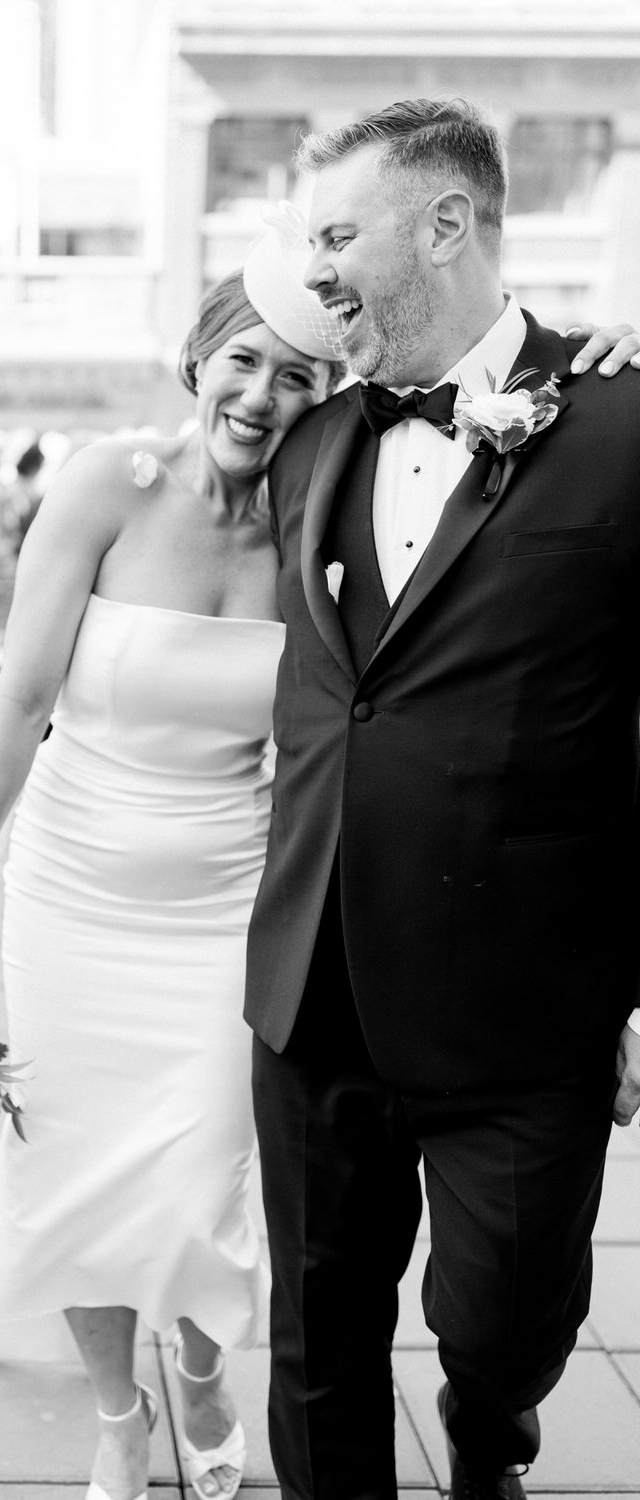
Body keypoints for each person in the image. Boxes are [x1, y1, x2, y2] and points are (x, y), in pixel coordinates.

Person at [0, 243, 637, 1500]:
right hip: (72, 898)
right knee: (71, 1166)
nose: (260, 396)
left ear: (327, 398)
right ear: (198, 361)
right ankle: (120, 1412)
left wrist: (584, 352)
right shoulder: (101, 487)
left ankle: (196, 1372)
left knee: (199, 1180)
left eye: (296, 378)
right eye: (241, 362)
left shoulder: (322, 498)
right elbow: (17, 696)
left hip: (229, 912)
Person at [244, 98, 640, 1500]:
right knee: (313, 1337)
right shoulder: (304, 449)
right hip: (313, 985)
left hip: (521, 1004)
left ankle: (491, 1434)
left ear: (449, 223)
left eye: (339, 233)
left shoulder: (624, 422)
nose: (317, 266)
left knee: (505, 1322)